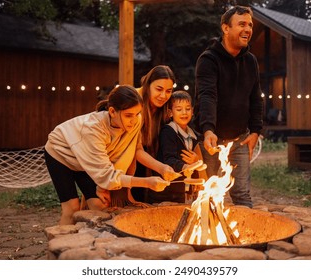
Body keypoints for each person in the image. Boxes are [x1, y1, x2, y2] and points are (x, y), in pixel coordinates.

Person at [44, 85, 179, 225]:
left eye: (137, 113)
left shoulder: (135, 121)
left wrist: (103, 186)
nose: (133, 120)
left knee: (100, 206)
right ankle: (63, 245)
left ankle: (92, 242)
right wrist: (146, 182)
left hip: (87, 161)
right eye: (128, 115)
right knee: (71, 209)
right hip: (60, 153)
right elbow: (107, 175)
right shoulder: (93, 129)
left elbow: (123, 153)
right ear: (112, 111)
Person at [193, 6, 264, 208]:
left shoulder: (251, 61)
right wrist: (208, 129)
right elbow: (207, 96)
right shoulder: (208, 59)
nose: (248, 29)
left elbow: (256, 97)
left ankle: (245, 238)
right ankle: (207, 237)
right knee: (208, 194)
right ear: (225, 28)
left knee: (242, 195)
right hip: (211, 140)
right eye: (242, 24)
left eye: (250, 25)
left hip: (240, 139)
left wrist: (256, 130)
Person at [148, 90, 206, 204]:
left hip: (181, 193)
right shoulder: (168, 132)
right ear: (170, 113)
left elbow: (194, 163)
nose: (184, 112)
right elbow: (169, 159)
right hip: (164, 191)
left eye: (188, 109)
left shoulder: (193, 136)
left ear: (193, 111)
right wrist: (185, 167)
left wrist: (195, 173)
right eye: (179, 109)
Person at [130, 65, 176, 202]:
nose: (163, 96)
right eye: (159, 89)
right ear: (148, 84)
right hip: (125, 161)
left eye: (168, 91)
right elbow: (134, 149)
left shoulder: (165, 110)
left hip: (146, 163)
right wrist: (161, 168)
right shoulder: (134, 102)